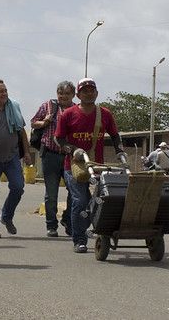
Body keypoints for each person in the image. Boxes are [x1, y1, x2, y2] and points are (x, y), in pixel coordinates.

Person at [54, 78, 125, 254]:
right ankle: (79, 239)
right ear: (78, 95)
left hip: (97, 166)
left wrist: (120, 151)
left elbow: (115, 135)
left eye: (92, 90)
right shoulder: (68, 114)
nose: (89, 93)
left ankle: (93, 228)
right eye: (85, 90)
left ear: (97, 93)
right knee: (80, 200)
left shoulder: (105, 114)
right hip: (75, 166)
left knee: (101, 200)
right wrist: (72, 149)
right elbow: (59, 138)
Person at [0, 79, 31, 238]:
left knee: (18, 187)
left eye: (5, 91)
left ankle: (7, 216)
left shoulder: (13, 109)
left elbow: (21, 132)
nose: (4, 94)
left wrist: (27, 153)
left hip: (11, 159)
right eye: (0, 91)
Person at [30, 80, 75, 237]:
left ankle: (68, 220)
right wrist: (45, 121)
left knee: (74, 191)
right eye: (60, 93)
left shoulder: (77, 110)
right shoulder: (48, 106)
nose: (63, 96)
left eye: (67, 93)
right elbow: (33, 122)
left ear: (73, 95)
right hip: (50, 155)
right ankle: (51, 225)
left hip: (70, 156)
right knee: (51, 194)